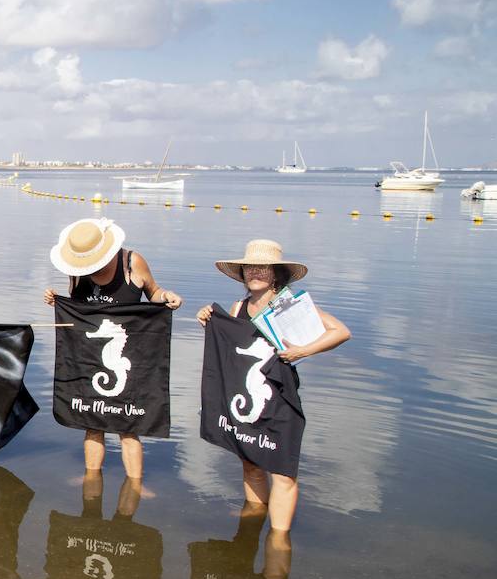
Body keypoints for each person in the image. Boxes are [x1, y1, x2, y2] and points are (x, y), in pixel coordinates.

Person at [196, 239, 350, 531]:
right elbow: (232, 345)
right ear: (241, 273)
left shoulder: (288, 306)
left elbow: (341, 331)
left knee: (283, 472)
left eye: (263, 268)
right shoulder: (239, 306)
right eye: (249, 267)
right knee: (251, 462)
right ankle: (254, 519)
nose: (255, 272)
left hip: (280, 399)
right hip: (245, 396)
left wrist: (303, 351)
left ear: (276, 274)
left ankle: (279, 542)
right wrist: (208, 319)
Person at [43, 218, 182, 479]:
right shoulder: (76, 271)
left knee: (128, 426)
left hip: (129, 354)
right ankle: (91, 481)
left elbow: (154, 292)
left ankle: (135, 487)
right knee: (92, 422)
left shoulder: (132, 263)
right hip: (89, 356)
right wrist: (57, 302)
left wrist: (166, 298)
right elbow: (79, 313)